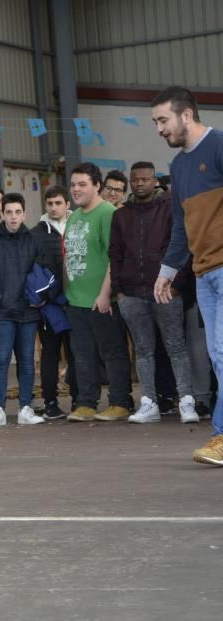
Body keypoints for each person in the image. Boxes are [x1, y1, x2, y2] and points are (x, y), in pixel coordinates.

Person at [150, 86, 223, 465]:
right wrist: (167, 272)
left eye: (163, 120)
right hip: (202, 272)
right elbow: (181, 226)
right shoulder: (178, 167)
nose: (160, 129)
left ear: (187, 115)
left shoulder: (220, 146)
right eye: (156, 122)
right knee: (216, 354)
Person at [111, 160, 198, 424]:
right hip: (132, 293)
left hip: (166, 291)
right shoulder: (121, 215)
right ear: (130, 181)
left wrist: (176, 285)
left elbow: (183, 246)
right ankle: (148, 403)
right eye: (135, 179)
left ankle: (186, 402)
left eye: (145, 179)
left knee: (176, 347)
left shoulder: (171, 209)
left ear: (155, 181)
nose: (139, 184)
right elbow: (114, 254)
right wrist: (119, 292)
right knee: (143, 350)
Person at [64, 162, 132, 422]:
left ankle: (119, 402)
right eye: (73, 185)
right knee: (81, 354)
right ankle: (86, 403)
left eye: (82, 184)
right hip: (76, 299)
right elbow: (68, 255)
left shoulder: (107, 214)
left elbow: (114, 258)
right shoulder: (74, 216)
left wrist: (105, 294)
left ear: (97, 186)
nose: (76, 189)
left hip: (101, 299)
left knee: (112, 352)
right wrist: (65, 290)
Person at [0, 193, 46, 427]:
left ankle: (25, 407)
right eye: (9, 212)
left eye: (18, 212)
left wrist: (40, 298)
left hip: (28, 312)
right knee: (1, 360)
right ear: (2, 214)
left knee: (27, 361)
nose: (13, 217)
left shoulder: (35, 240)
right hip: (3, 314)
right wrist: (0, 300)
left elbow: (46, 272)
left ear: (25, 214)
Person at [33, 185, 77, 419]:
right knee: (50, 353)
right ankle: (50, 403)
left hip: (77, 300)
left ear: (67, 204)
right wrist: (44, 296)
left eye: (58, 203)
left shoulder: (79, 225)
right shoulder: (36, 234)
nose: (53, 207)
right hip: (49, 304)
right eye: (49, 203)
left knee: (77, 352)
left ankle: (81, 401)